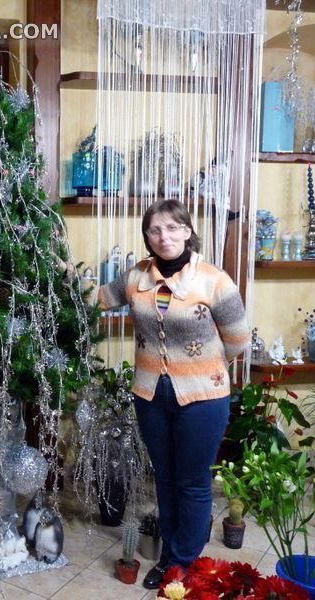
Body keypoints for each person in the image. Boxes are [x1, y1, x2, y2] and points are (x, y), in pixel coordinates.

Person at [97, 199, 248, 589]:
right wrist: (60, 273)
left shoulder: (214, 279)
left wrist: (204, 369)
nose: (164, 236)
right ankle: (168, 555)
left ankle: (183, 562)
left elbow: (237, 339)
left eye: (172, 228)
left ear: (186, 230)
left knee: (193, 481)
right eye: (155, 230)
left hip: (203, 398)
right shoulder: (136, 278)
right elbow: (97, 298)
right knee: (164, 477)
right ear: (147, 236)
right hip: (150, 395)